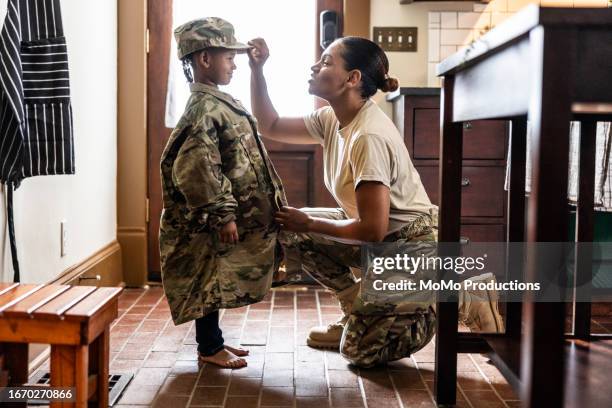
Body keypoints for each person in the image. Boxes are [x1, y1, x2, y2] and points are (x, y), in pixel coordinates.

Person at [247, 36, 503, 366]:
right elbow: (271, 124)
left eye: (326, 62)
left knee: (360, 351)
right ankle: (356, 311)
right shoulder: (332, 118)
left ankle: (458, 298)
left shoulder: (368, 136)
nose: (315, 66)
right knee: (288, 227)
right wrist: (257, 69)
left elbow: (372, 230)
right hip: (384, 243)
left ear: (352, 79)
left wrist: (310, 222)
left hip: (414, 246)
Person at [159, 17, 286, 369]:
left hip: (226, 217)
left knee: (215, 278)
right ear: (204, 60)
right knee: (208, 279)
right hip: (211, 220)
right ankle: (209, 347)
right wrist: (223, 214)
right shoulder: (203, 109)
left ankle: (214, 342)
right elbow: (199, 167)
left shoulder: (218, 102)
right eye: (228, 57)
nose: (234, 63)